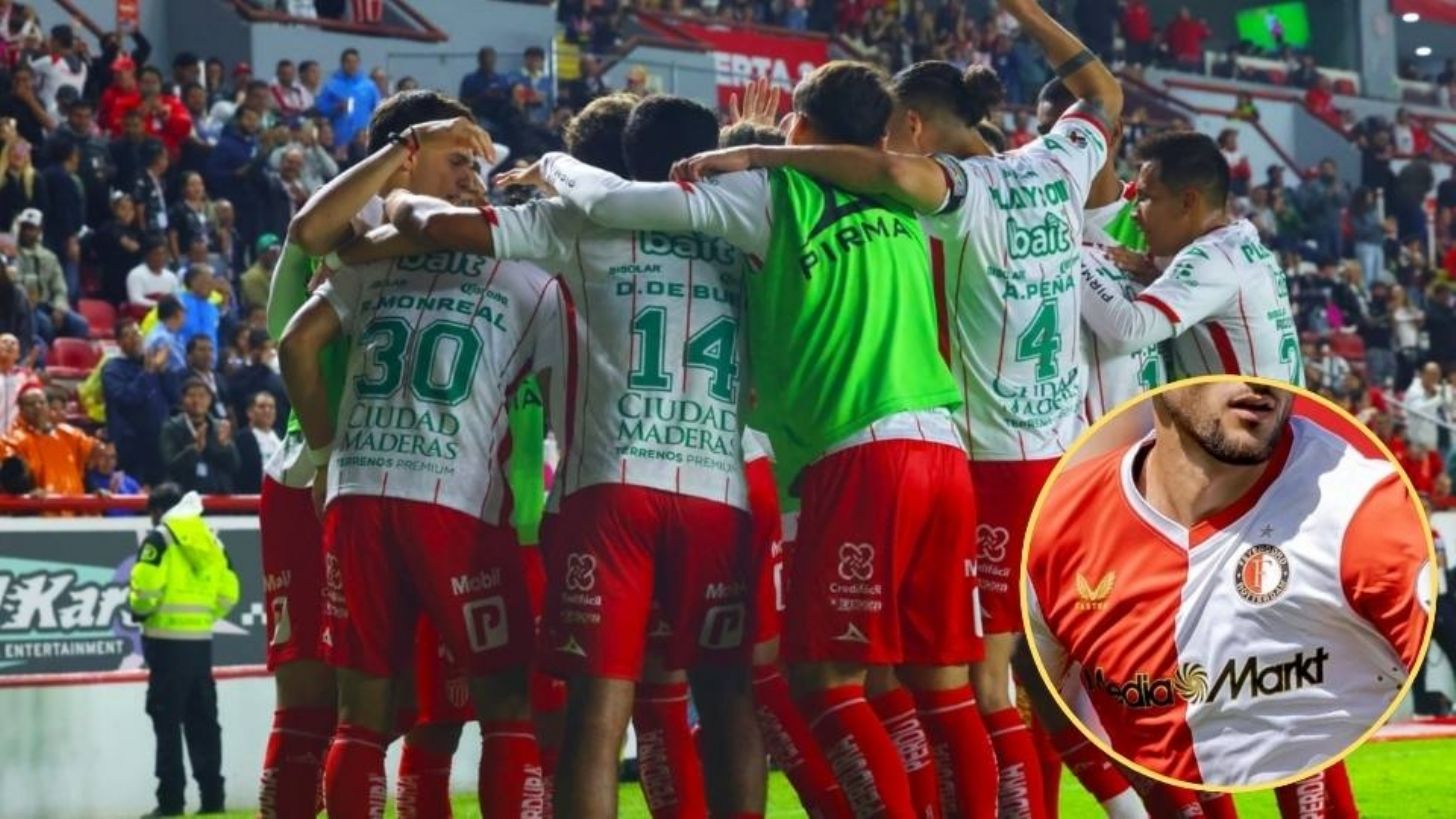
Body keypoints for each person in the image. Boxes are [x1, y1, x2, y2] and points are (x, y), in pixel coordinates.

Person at [512, 52, 1002, 813]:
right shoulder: (909, 198)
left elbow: (611, 203)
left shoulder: (772, 192)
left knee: (819, 682)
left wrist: (550, 164)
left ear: (799, 128)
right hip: (943, 449)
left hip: (856, 449)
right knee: (943, 690)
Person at [382, 92, 773, 818]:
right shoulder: (747, 231)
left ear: (624, 160)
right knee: (727, 697)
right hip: (718, 492)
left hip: (606, 489)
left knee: (598, 712)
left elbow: (438, 226)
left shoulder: (578, 221)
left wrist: (398, 197)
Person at [279, 95, 558, 815]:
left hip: (354, 491)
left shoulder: (364, 258)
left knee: (361, 715)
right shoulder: (527, 274)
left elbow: (297, 343)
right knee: (506, 703)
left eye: (477, 166)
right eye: (458, 160)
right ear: (408, 160)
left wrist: (327, 453)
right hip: (454, 503)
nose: (473, 175)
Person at [1028, 380, 1427, 793]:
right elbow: (1041, 705)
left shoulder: (1363, 511)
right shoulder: (1060, 523)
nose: (1257, 378)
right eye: (1222, 362)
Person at [1075, 132, 1304, 386]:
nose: (1135, 213)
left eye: (1147, 198)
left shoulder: (1211, 260)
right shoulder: (1244, 245)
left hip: (1245, 411)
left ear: (1187, 201)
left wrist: (1069, 253)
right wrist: (1159, 275)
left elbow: (1127, 332)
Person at [128, 483, 240, 817]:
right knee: (203, 722)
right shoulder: (210, 539)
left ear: (157, 511)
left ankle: (171, 801)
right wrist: (204, 617)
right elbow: (230, 591)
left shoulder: (159, 539)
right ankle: (213, 799)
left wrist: (141, 610)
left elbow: (145, 587)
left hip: (165, 644)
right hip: (201, 644)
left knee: (167, 724)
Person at [103, 317, 172, 485]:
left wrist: (164, 372)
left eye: (137, 333)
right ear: (119, 343)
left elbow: (174, 396)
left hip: (159, 444)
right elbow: (127, 398)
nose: (135, 338)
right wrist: (148, 372)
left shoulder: (151, 364)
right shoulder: (112, 369)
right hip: (131, 448)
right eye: (128, 335)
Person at [0, 383, 95, 496]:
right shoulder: (10, 441)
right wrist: (28, 492)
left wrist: (95, 490)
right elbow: (12, 481)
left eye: (42, 402)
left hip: (75, 503)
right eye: (31, 404)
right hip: (38, 505)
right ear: (21, 409)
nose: (38, 407)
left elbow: (96, 459)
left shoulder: (70, 435)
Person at [13, 207, 88, 342]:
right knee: (45, 325)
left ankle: (68, 353)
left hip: (48, 305)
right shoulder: (11, 254)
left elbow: (60, 289)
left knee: (80, 324)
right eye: (24, 228)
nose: (26, 232)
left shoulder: (49, 257)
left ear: (39, 230)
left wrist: (59, 308)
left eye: (31, 228)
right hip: (26, 307)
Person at [160, 377, 240, 494]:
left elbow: (234, 466)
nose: (196, 400)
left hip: (218, 494)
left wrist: (225, 446)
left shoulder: (219, 427)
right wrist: (194, 449)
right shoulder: (171, 428)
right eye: (191, 395)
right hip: (184, 494)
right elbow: (169, 465)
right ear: (182, 399)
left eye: (202, 396)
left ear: (209, 400)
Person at [313, 48, 379, 158]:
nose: (351, 65)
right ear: (342, 63)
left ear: (359, 63)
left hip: (362, 140)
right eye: (348, 62)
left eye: (354, 62)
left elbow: (377, 110)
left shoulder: (369, 86)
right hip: (339, 141)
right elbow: (321, 110)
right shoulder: (331, 85)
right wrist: (335, 107)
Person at [235, 390, 279, 494]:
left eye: (271, 407)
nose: (267, 410)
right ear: (249, 412)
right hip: (254, 495)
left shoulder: (281, 436)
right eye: (262, 406)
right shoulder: (242, 438)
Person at [167, 172, 217, 262]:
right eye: (192, 185)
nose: (197, 188)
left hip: (209, 255)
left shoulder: (209, 207)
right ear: (183, 188)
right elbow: (173, 236)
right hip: (187, 256)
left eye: (200, 184)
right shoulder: (178, 209)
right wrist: (177, 259)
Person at [180, 335, 231, 421]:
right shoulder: (182, 378)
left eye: (210, 350)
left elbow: (229, 405)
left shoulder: (220, 377)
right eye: (202, 350)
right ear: (190, 355)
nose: (207, 354)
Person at [177, 264, 221, 362]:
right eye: (208, 282)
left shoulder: (212, 308)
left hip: (209, 365)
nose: (212, 286)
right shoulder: (178, 304)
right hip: (183, 363)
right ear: (194, 282)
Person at [146, 295, 189, 372]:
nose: (186, 317)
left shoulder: (171, 333)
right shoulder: (162, 338)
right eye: (184, 313)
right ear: (178, 314)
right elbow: (155, 365)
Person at [0, 332, 33, 431]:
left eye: (13, 343)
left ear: (18, 355)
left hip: (14, 436)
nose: (9, 344)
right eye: (4, 341)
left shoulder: (25, 377)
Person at [240, 233, 281, 312]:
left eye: (278, 250)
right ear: (261, 254)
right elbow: (260, 308)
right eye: (272, 252)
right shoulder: (252, 277)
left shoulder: (279, 272)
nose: (276, 255)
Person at [270, 59, 312, 124]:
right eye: (284, 74)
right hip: (281, 123)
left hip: (302, 123)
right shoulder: (271, 91)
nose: (287, 77)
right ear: (277, 74)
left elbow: (308, 107)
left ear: (294, 73)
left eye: (290, 74)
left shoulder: (301, 90)